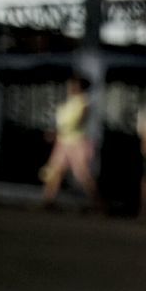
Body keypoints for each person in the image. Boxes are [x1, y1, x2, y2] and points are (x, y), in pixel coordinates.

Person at [40, 77, 101, 210]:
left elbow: (78, 122)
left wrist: (58, 131)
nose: (71, 88)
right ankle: (48, 200)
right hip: (63, 142)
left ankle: (98, 203)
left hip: (77, 143)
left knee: (83, 174)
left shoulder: (84, 103)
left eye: (74, 85)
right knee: (54, 171)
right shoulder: (69, 103)